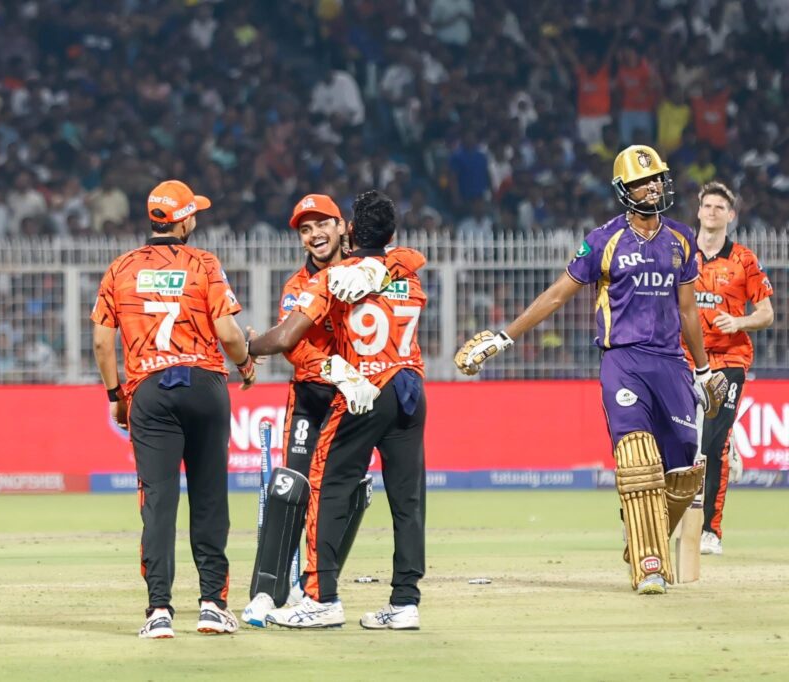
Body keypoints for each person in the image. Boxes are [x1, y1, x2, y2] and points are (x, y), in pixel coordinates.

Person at [454, 146, 728, 596]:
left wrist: (702, 371)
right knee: (637, 459)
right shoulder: (603, 240)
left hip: (670, 363)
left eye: (656, 179)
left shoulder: (681, 238)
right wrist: (505, 337)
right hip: (623, 361)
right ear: (625, 190)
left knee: (683, 471)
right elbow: (558, 295)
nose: (652, 187)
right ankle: (650, 565)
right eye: (642, 182)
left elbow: (688, 312)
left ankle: (642, 537)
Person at [241, 194, 426, 627]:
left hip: (359, 395)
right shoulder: (298, 285)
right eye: (305, 230)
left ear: (345, 228)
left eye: (322, 224)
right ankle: (268, 593)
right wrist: (332, 368)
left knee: (339, 493)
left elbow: (410, 255)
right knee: (293, 489)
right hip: (316, 394)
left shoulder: (363, 269)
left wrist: (377, 267)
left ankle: (320, 590)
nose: (314, 235)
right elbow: (294, 347)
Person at [91, 179, 254, 639]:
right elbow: (228, 333)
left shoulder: (121, 268)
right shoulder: (204, 263)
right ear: (185, 220)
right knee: (209, 497)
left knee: (158, 502)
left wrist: (116, 395)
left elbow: (102, 341)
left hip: (150, 390)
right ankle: (212, 605)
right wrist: (245, 365)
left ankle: (159, 611)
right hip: (204, 385)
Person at [691, 181, 774, 555]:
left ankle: (710, 530)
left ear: (731, 215)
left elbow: (767, 314)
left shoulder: (744, 260)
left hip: (729, 359)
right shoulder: (680, 254)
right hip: (683, 358)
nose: (712, 212)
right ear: (698, 211)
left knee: (712, 443)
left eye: (719, 207)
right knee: (680, 441)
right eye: (707, 206)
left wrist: (738, 322)